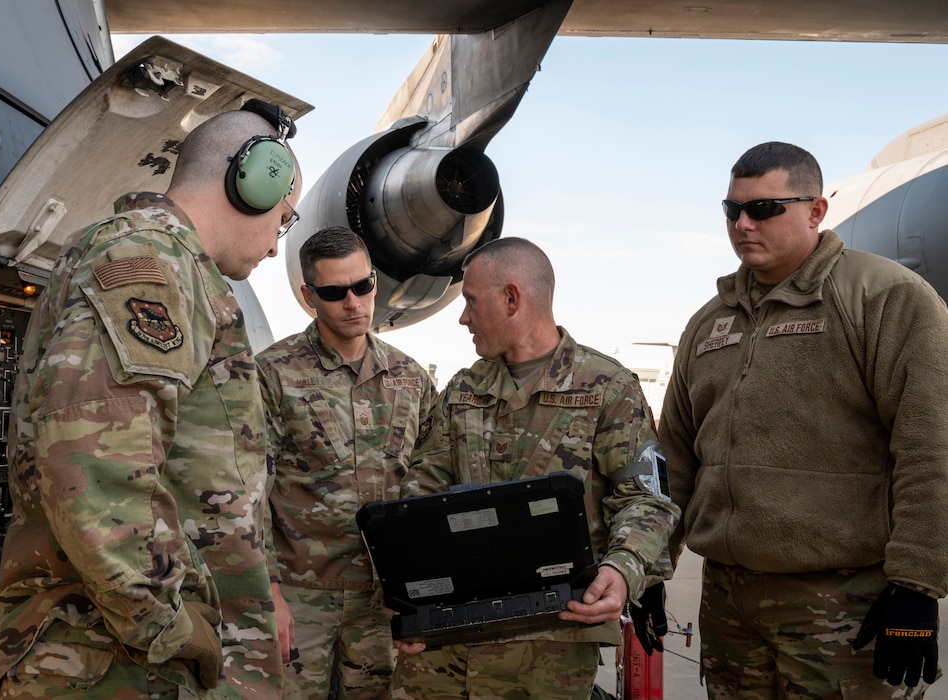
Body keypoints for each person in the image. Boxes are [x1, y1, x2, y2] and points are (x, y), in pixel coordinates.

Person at [0, 100, 302, 699]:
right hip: (119, 663)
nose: (278, 247)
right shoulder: (149, 266)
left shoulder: (161, 265)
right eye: (283, 218)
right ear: (252, 184)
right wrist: (171, 630)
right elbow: (92, 466)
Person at [659, 141, 948, 698]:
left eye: (764, 208)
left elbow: (930, 448)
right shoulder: (709, 322)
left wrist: (916, 586)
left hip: (839, 606)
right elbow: (674, 459)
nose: (743, 224)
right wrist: (650, 569)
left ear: (816, 210)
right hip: (727, 605)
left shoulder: (885, 298)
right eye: (731, 209)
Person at [393, 236, 680, 699]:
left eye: (469, 301)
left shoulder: (607, 388)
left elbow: (646, 500)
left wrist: (624, 569)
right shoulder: (464, 389)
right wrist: (415, 595)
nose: (462, 317)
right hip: (451, 641)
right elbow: (422, 491)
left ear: (512, 298)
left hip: (552, 643)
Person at [256, 225, 436, 699]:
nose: (354, 303)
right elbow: (246, 493)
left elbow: (434, 484)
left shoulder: (411, 379)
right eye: (335, 293)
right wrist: (268, 595)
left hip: (384, 603)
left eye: (363, 286)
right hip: (301, 597)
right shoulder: (272, 375)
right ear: (308, 295)